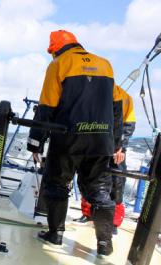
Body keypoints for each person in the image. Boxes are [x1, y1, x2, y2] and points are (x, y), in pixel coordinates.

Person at [27, 30, 123, 257]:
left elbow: (47, 107)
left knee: (57, 185)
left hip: (68, 138)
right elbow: (116, 108)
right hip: (101, 141)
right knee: (99, 190)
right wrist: (116, 143)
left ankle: (56, 234)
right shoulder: (105, 65)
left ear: (56, 48)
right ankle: (104, 244)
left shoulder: (59, 64)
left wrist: (35, 145)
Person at [74, 85, 136, 235]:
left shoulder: (124, 97)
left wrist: (122, 148)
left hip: (116, 147)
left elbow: (128, 124)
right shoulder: (91, 91)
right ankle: (88, 214)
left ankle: (113, 223)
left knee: (117, 182)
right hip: (94, 143)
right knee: (87, 177)